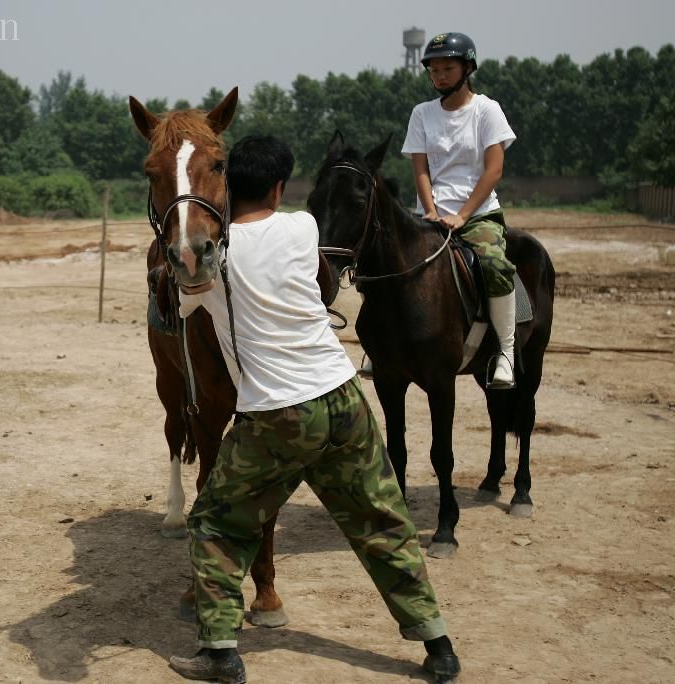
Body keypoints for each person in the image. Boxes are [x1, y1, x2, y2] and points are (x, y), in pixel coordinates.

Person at [168, 135, 461, 683]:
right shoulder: (304, 227)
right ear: (281, 187)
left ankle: (220, 654)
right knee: (383, 522)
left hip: (275, 415)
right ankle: (437, 645)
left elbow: (186, 290)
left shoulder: (215, 256)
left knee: (213, 523)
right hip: (343, 398)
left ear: (227, 185)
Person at [403, 31, 519, 389]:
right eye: (434, 70)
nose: (439, 75)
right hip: (430, 214)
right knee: (384, 261)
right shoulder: (422, 114)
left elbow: (493, 170)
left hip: (478, 213)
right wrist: (431, 210)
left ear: (467, 68)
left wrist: (463, 215)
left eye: (447, 68)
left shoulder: (487, 110)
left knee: (495, 265)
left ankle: (506, 353)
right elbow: (420, 169)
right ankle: (383, 349)